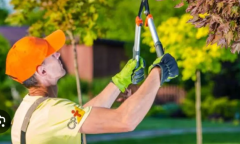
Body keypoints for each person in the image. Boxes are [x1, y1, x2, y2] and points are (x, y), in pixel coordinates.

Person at [6, 29, 178, 144]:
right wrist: (159, 72)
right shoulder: (51, 112)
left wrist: (119, 81)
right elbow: (125, 121)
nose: (58, 53)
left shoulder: (29, 109)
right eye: (51, 54)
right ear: (41, 71)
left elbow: (81, 115)